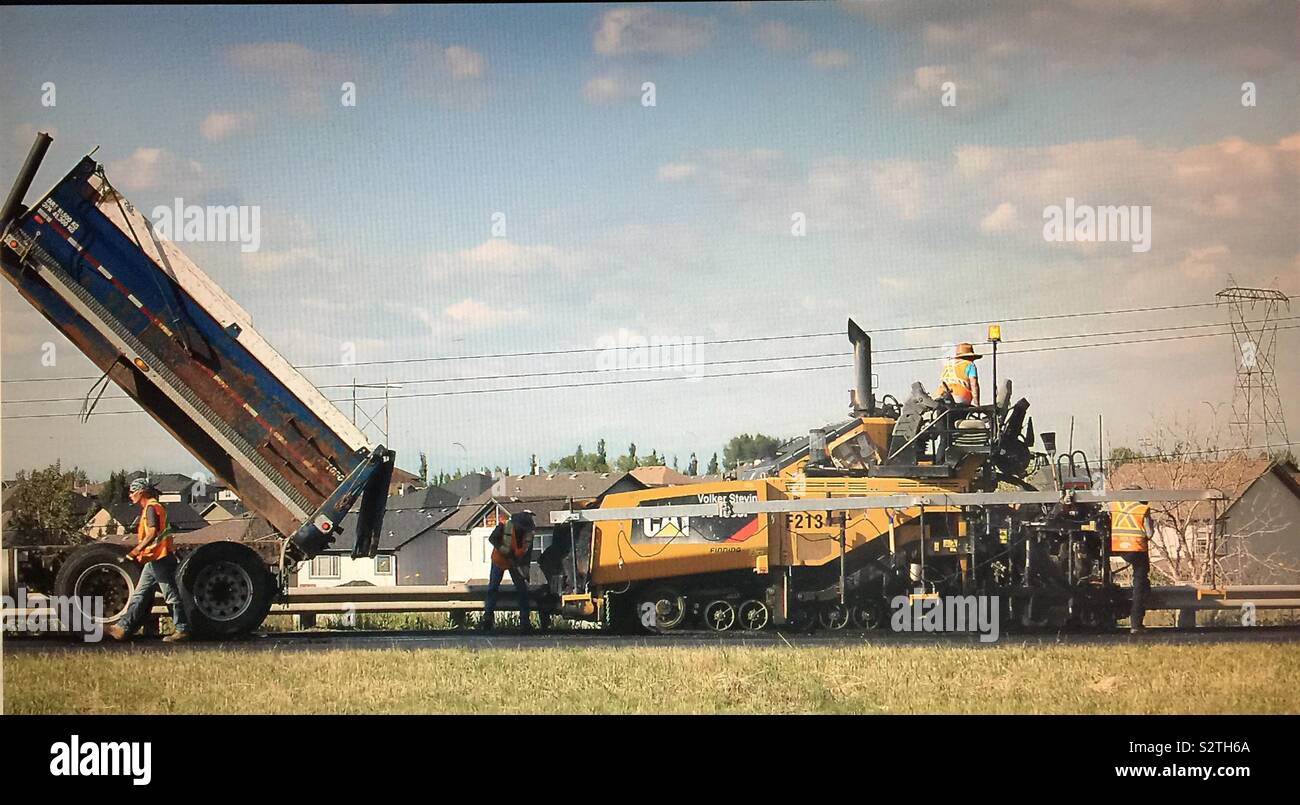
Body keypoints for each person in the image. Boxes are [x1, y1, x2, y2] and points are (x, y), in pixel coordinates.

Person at [107, 479, 192, 642]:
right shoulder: (152, 507)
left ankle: (182, 629)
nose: (130, 495)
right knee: (140, 594)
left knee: (170, 594)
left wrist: (136, 550)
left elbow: (152, 533)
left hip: (160, 558)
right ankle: (122, 628)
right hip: (154, 558)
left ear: (142, 492)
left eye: (132, 492)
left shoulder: (151, 508)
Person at [1110, 488, 1154, 634]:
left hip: (1117, 547)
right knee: (1139, 583)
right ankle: (1136, 624)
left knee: (1140, 581)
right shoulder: (1143, 509)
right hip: (1137, 548)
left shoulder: (1116, 505)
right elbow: (1149, 533)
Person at [483, 511, 535, 633]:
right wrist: (505, 552)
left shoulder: (528, 536)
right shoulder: (504, 526)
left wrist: (525, 573)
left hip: (515, 563)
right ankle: (487, 621)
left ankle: (525, 622)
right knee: (493, 589)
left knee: (522, 590)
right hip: (499, 561)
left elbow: (527, 556)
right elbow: (492, 538)